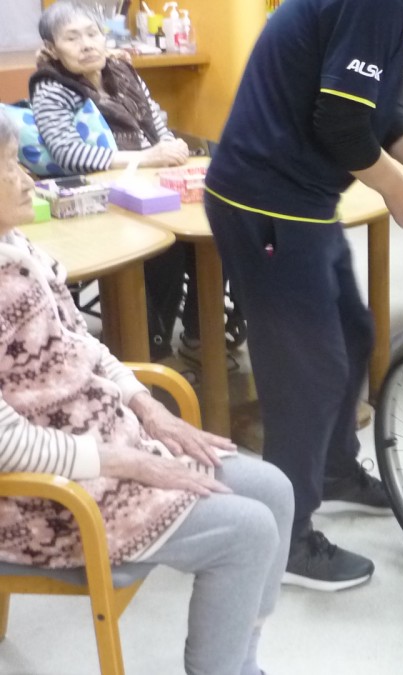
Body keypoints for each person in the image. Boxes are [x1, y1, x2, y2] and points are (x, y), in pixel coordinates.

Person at [0, 113, 292, 675]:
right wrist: (129, 461)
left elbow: (81, 346)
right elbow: (6, 444)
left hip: (110, 445)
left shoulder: (18, 248)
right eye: (10, 167)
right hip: (49, 501)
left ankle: (241, 662)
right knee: (247, 532)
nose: (28, 180)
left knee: (274, 490)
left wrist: (148, 409)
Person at [204, 0, 403, 591]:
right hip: (265, 200)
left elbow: (378, 109)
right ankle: (287, 536)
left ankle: (331, 469)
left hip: (301, 200)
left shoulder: (401, 9)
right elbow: (341, 122)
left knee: (353, 336)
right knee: (308, 369)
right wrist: (397, 189)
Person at [29, 1, 198, 363]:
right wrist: (145, 157)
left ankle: (200, 334)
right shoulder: (51, 87)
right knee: (162, 249)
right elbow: (68, 153)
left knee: (210, 232)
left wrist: (170, 147)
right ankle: (149, 349)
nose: (86, 44)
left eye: (92, 34)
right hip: (98, 200)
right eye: (72, 38)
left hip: (149, 185)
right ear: (52, 49)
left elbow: (155, 123)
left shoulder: (122, 71)